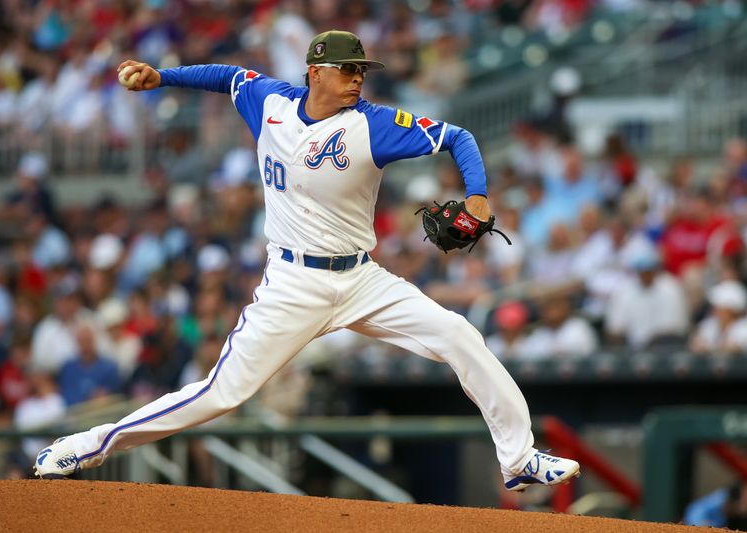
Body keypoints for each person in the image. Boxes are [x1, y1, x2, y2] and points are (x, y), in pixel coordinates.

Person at [34, 30, 579, 491]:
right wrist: (163, 76)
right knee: (223, 393)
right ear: (315, 72)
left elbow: (458, 137)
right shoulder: (269, 102)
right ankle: (92, 443)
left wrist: (478, 194)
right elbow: (228, 76)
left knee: (459, 335)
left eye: (362, 69)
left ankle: (518, 458)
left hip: (362, 279)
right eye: (348, 69)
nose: (358, 77)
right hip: (293, 282)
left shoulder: (372, 124)